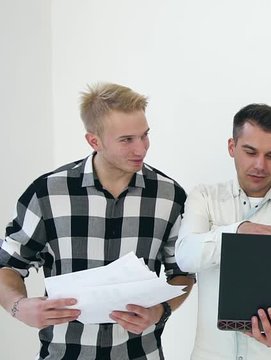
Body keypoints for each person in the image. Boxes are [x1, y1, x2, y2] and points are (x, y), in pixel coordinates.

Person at [0, 83, 195, 359]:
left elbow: (183, 274)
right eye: (127, 140)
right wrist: (18, 307)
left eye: (145, 135)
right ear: (94, 141)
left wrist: (159, 311)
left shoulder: (170, 196)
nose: (141, 148)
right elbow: (8, 263)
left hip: (141, 353)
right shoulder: (47, 193)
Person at [175, 103, 271, 360]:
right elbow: (186, 255)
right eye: (250, 151)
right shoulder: (204, 197)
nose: (260, 165)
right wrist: (239, 232)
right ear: (232, 147)